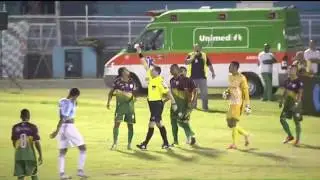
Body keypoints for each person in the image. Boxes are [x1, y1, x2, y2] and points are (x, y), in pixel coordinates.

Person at [134, 44, 178, 150]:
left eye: (153, 70)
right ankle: (166, 143)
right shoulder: (150, 75)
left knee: (151, 124)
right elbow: (144, 63)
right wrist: (139, 51)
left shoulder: (160, 80)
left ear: (157, 72)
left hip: (158, 104)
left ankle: (145, 144)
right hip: (151, 103)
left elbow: (168, 92)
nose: (151, 70)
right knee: (159, 124)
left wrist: (174, 103)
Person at [50, 88, 88, 179]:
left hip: (62, 128)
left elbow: (61, 114)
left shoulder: (62, 101)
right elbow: (64, 117)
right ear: (75, 95)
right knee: (83, 148)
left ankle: (62, 174)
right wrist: (56, 130)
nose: (76, 98)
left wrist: (58, 130)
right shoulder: (70, 103)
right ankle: (80, 171)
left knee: (63, 151)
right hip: (69, 127)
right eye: (77, 97)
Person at [222, 61, 251, 149]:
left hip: (238, 102)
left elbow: (246, 92)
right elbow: (230, 87)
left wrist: (247, 105)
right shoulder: (230, 77)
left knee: (233, 122)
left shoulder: (242, 78)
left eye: (230, 66)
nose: (229, 68)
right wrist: (226, 92)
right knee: (229, 123)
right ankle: (246, 134)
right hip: (231, 102)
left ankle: (234, 144)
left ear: (235, 67)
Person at [107, 67, 137, 150]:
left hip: (130, 107)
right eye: (126, 70)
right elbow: (111, 92)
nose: (128, 71)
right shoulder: (117, 81)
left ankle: (129, 144)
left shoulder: (132, 81)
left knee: (130, 125)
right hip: (120, 106)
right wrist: (108, 102)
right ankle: (115, 143)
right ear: (123, 72)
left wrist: (134, 98)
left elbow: (134, 93)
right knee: (117, 124)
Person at [169, 64, 198, 146]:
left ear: (176, 70)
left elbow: (188, 93)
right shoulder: (171, 80)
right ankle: (175, 141)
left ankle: (191, 135)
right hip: (173, 105)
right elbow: (172, 92)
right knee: (173, 122)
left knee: (181, 122)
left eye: (172, 69)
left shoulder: (184, 80)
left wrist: (190, 103)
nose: (170, 71)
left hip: (182, 105)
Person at [11, 109, 43, 180]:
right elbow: (37, 143)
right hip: (30, 156)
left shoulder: (15, 127)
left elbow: (14, 143)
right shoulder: (33, 127)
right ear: (29, 116)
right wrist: (40, 155)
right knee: (34, 175)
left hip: (19, 156)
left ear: (20, 116)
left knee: (20, 176)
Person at [185, 44, 216, 111]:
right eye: (195, 48)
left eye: (198, 48)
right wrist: (193, 57)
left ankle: (205, 107)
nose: (197, 49)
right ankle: (194, 106)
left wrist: (213, 72)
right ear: (193, 48)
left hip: (202, 78)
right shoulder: (190, 54)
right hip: (192, 78)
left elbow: (209, 65)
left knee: (204, 93)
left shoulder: (204, 55)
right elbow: (186, 62)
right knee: (193, 93)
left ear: (201, 48)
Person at [279, 65, 304, 146]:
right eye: (289, 69)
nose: (290, 71)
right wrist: (281, 100)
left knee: (296, 121)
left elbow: (300, 94)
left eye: (292, 70)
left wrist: (296, 104)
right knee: (282, 119)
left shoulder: (299, 81)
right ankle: (290, 136)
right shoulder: (287, 80)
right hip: (287, 104)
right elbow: (285, 92)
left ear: (296, 71)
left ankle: (298, 140)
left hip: (296, 103)